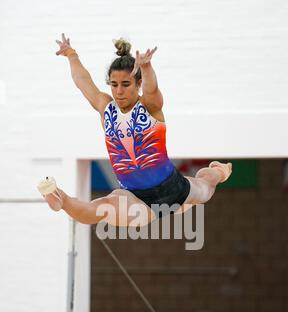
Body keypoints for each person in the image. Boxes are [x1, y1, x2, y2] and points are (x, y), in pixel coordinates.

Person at [37, 34, 232, 225]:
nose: (119, 91)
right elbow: (83, 82)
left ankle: (220, 171)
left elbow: (152, 89)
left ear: (138, 84)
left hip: (173, 189)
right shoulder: (106, 108)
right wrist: (71, 54)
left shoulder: (150, 106)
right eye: (114, 85)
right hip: (137, 199)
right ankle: (61, 199)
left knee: (205, 187)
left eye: (125, 84)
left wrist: (146, 67)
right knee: (104, 207)